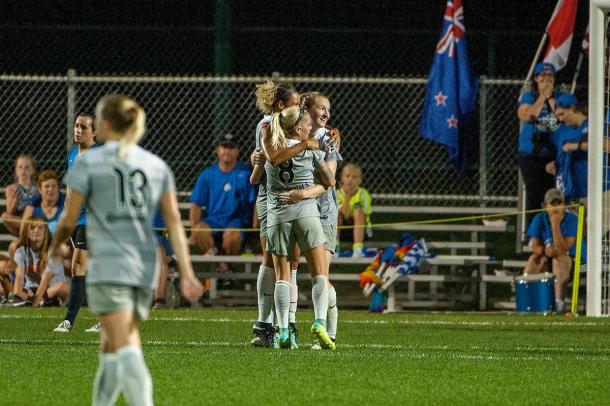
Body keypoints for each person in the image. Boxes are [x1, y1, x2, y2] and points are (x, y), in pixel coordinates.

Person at [49, 93, 203, 406]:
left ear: (104, 124)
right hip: (145, 265)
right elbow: (174, 223)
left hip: (109, 263)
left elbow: (68, 218)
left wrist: (53, 249)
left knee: (125, 344)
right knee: (110, 345)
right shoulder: (155, 164)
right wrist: (186, 271)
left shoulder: (89, 161)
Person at [261, 104, 336, 350]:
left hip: (278, 217)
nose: (310, 128)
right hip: (307, 215)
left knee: (282, 275)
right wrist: (304, 192)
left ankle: (282, 329)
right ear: (297, 127)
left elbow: (256, 176)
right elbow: (330, 181)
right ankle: (319, 322)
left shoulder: (270, 146)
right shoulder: (309, 149)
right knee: (319, 274)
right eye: (306, 125)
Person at [279, 91, 343, 349]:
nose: (327, 113)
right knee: (292, 268)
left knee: (321, 274)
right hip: (298, 211)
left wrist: (301, 193)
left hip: (322, 211)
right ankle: (289, 327)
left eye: (329, 108)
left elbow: (330, 181)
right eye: (321, 107)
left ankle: (330, 330)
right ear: (307, 110)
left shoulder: (328, 139)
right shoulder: (294, 136)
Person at [249, 80, 301, 348]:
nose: (299, 108)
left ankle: (284, 323)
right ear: (281, 106)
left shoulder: (294, 124)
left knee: (290, 260)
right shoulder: (268, 125)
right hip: (272, 198)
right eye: (295, 104)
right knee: (272, 257)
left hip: (292, 198)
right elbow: (272, 157)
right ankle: (266, 324)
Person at [55, 112, 102, 333]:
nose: (78, 130)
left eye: (84, 127)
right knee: (86, 269)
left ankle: (68, 322)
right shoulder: (73, 153)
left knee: (78, 266)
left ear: (94, 132)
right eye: (76, 126)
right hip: (78, 217)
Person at [188, 134, 257, 283]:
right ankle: (225, 269)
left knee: (231, 236)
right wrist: (194, 230)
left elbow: (256, 202)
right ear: (218, 150)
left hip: (236, 222)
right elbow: (195, 205)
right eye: (224, 147)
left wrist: (254, 231)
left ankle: (220, 265)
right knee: (200, 229)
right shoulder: (208, 174)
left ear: (237, 151)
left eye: (232, 147)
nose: (227, 151)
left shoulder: (245, 173)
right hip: (213, 221)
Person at [517, 62, 569, 228]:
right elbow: (528, 115)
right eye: (542, 76)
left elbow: (562, 116)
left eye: (550, 76)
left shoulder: (560, 97)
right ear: (536, 79)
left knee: (553, 196)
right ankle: (534, 234)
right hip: (531, 155)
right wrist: (542, 97)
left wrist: (550, 98)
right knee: (534, 194)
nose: (546, 80)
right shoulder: (529, 97)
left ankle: (553, 232)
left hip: (552, 155)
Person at [524, 188, 579, 312]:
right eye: (552, 204)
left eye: (559, 203)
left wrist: (555, 224)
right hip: (549, 257)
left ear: (564, 205)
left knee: (559, 260)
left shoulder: (571, 220)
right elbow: (535, 247)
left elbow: (564, 249)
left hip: (571, 261)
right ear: (545, 206)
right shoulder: (539, 218)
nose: (556, 207)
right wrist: (544, 250)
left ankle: (558, 301)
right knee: (535, 259)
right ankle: (526, 297)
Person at [8, 216, 68, 306]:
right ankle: (45, 303)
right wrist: (17, 295)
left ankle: (43, 302)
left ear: (46, 232)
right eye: (32, 228)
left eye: (40, 228)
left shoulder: (53, 252)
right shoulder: (20, 251)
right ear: (26, 232)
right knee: (14, 290)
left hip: (51, 289)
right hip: (31, 290)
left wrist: (35, 303)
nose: (36, 230)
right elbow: (19, 277)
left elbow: (45, 279)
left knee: (64, 288)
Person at [552, 94, 588, 203]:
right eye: (558, 116)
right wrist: (555, 165)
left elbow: (599, 146)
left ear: (572, 108)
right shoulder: (566, 131)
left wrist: (575, 146)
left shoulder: (593, 125)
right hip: (573, 191)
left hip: (594, 189)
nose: (561, 119)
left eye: (562, 114)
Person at [337, 163, 373, 256]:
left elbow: (364, 218)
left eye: (354, 177)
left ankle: (358, 250)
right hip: (342, 231)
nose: (350, 179)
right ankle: (335, 248)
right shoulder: (336, 194)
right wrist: (348, 195)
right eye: (347, 176)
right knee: (336, 214)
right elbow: (345, 214)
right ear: (342, 179)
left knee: (358, 210)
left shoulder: (363, 194)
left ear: (360, 180)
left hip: (361, 231)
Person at [1, 154, 38, 236]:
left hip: (34, 219)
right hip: (19, 220)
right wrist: (14, 202)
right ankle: (25, 235)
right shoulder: (11, 188)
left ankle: (25, 236)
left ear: (32, 171)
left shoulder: (38, 188)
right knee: (4, 216)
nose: (23, 170)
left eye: (27, 167)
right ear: (16, 171)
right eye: (20, 167)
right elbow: (10, 212)